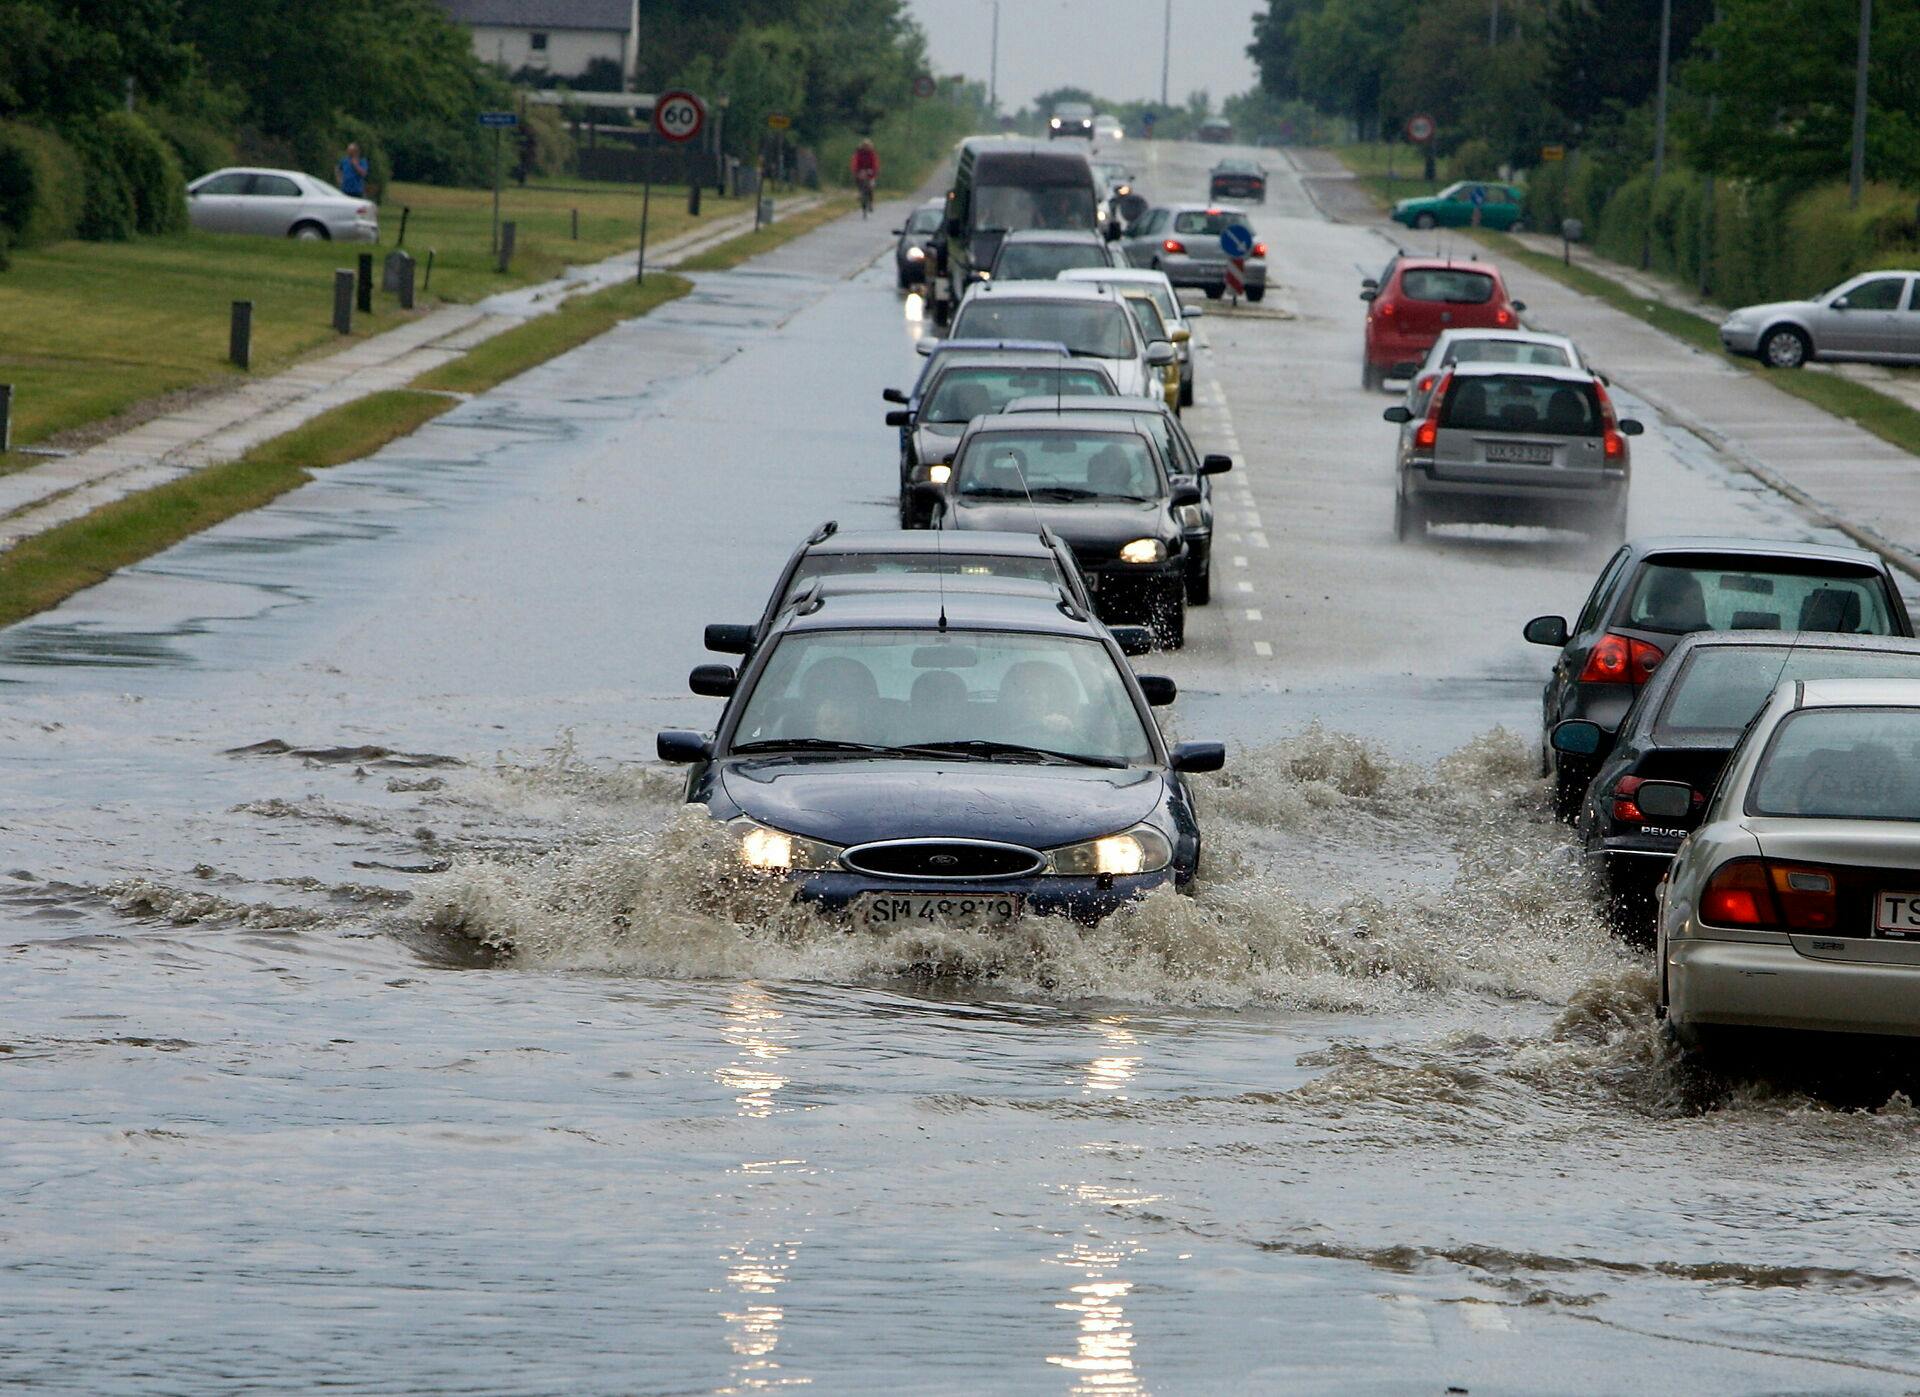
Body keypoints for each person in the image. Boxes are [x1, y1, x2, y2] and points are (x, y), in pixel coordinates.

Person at [851, 138, 879, 215]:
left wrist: (873, 172)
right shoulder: (858, 153)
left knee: (871, 186)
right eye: (865, 146)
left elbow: (875, 164)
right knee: (860, 185)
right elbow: (854, 163)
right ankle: (860, 194)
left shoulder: (872, 154)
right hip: (860, 172)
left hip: (870, 172)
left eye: (867, 146)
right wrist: (856, 172)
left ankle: (870, 202)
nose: (866, 147)